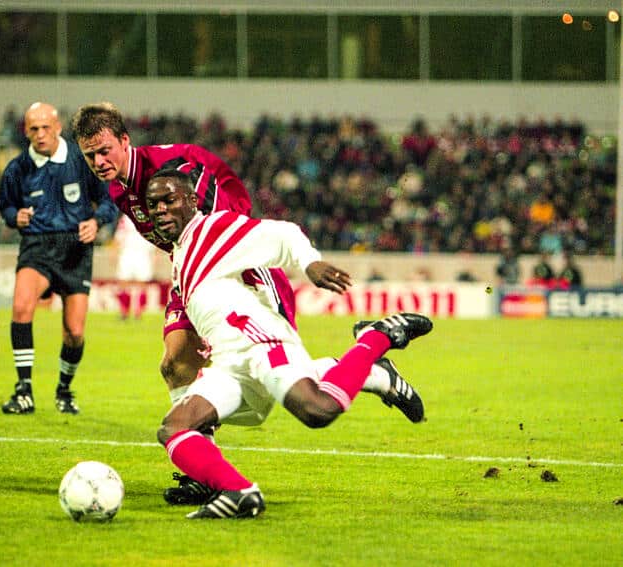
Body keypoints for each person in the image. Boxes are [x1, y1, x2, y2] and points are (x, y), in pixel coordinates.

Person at [71, 102, 424, 504]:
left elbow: (226, 211)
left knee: (279, 375)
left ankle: (371, 370)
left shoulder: (175, 167)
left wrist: (254, 258)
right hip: (190, 272)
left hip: (237, 266)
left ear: (124, 141)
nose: (99, 162)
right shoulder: (119, 188)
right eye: (90, 156)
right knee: (176, 364)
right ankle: (202, 473)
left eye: (104, 151)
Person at [145, 169, 433, 519]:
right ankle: (239, 493)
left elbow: (283, 233)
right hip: (229, 363)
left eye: (169, 200)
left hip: (259, 342)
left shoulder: (210, 229)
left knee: (317, 409)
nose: (160, 210)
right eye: (153, 205)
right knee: (175, 427)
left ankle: (377, 337)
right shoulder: (181, 252)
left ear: (192, 201)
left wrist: (310, 263)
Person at [0, 102, 117, 415]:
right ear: (26, 131)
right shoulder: (17, 168)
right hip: (36, 245)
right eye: (33, 129)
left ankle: (64, 389)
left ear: (58, 128)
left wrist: (96, 222)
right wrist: (15, 217)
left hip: (75, 249)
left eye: (45, 128)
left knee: (74, 332)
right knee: (21, 307)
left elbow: (108, 201)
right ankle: (24, 390)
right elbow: (5, 206)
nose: (40, 134)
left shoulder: (82, 160)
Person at [113, 214, 156, 320]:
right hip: (127, 252)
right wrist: (115, 251)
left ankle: (139, 312)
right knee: (123, 282)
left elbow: (154, 235)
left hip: (144, 253)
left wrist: (154, 253)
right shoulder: (126, 217)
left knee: (142, 283)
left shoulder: (149, 216)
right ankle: (124, 311)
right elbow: (119, 235)